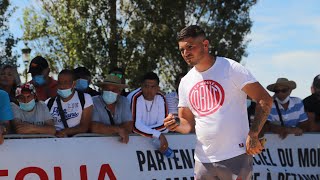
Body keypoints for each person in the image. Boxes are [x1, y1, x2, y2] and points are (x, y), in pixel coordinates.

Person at [163, 25, 273, 179]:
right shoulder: (185, 82)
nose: (185, 53)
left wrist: (253, 134)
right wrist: (175, 123)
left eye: (190, 47)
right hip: (203, 160)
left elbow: (265, 100)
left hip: (236, 156)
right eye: (182, 50)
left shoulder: (231, 68)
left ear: (205, 45)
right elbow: (187, 124)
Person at [127, 72, 169, 153]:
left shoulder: (161, 98)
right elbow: (135, 127)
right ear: (141, 86)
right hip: (133, 144)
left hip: (149, 142)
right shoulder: (135, 97)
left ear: (158, 88)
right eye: (146, 86)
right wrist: (158, 134)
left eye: (153, 87)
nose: (149, 90)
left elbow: (164, 126)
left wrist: (144, 130)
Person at [45, 69, 93, 137]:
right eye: (60, 83)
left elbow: (84, 127)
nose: (62, 86)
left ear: (74, 84)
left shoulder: (85, 99)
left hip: (76, 142)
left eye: (66, 82)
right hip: (54, 142)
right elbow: (46, 126)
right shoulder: (48, 103)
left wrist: (64, 132)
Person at [91, 74, 132, 143]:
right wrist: (118, 130)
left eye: (114, 90)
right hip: (98, 144)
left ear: (119, 91)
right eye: (107, 89)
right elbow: (94, 127)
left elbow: (128, 126)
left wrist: (106, 129)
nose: (110, 92)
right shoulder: (93, 101)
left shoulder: (124, 101)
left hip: (119, 145)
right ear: (102, 90)